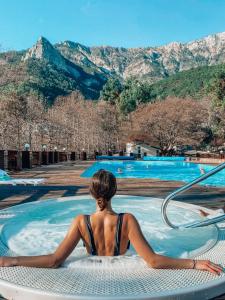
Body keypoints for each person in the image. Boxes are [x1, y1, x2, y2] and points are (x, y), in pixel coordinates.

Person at [0, 169, 222, 275]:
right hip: (123, 269)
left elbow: (54, 260)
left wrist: (13, 260)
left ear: (91, 192)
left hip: (90, 271)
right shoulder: (127, 220)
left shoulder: (80, 221)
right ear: (115, 192)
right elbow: (153, 261)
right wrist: (194, 264)